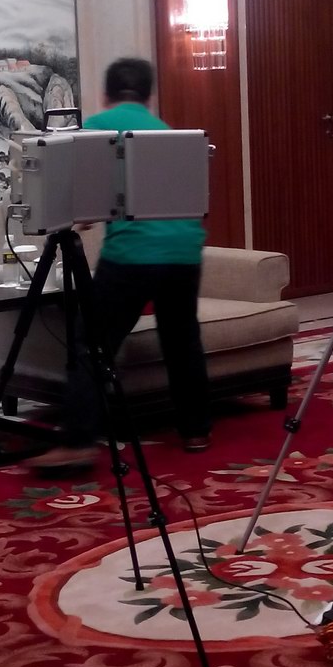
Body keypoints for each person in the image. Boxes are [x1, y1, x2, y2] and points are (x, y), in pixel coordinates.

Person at [35, 56, 211, 469]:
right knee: (182, 338)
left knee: (92, 343)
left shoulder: (96, 128)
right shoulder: (165, 131)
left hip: (133, 254)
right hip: (185, 250)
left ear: (105, 94)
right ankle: (196, 430)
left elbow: (82, 203)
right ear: (149, 97)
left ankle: (78, 441)